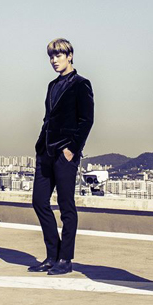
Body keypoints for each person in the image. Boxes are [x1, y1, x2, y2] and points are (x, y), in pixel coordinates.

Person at [28, 38, 94, 276]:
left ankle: (65, 259)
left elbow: (86, 120)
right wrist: (40, 145)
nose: (54, 60)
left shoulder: (81, 84)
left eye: (58, 55)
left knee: (66, 206)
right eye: (51, 57)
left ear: (70, 56)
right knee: (39, 201)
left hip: (65, 154)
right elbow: (48, 118)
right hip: (45, 152)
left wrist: (72, 149)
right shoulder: (52, 85)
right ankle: (52, 255)